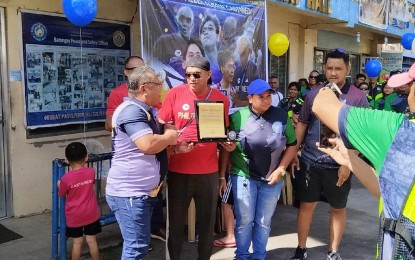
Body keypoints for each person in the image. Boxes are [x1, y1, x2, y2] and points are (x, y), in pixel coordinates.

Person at [312, 70, 415, 259]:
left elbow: (321, 105)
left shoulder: (399, 131)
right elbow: (392, 194)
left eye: (410, 86)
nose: (408, 94)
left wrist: (328, 86)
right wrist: (351, 160)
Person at [290, 48, 369, 260]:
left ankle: (333, 251)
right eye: (330, 68)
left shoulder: (358, 98)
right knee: (306, 205)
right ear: (324, 68)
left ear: (348, 69)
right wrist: (294, 151)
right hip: (311, 162)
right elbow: (303, 124)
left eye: (338, 68)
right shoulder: (313, 93)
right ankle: (301, 249)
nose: (334, 73)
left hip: (339, 166)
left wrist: (348, 164)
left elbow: (362, 136)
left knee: (337, 208)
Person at [158, 56, 233, 260]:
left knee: (207, 224)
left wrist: (228, 144)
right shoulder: (174, 94)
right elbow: (162, 123)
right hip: (178, 171)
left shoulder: (221, 99)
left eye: (196, 75)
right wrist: (173, 139)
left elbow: (223, 132)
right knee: (175, 223)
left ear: (208, 75)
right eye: (188, 74)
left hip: (207, 172)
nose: (191, 78)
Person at [105, 66, 178, 259]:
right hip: (130, 193)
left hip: (141, 193)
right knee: (136, 248)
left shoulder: (147, 111)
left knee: (139, 246)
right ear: (145, 88)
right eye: (158, 84)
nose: (161, 88)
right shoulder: (131, 112)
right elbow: (147, 145)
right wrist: (171, 136)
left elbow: (151, 147)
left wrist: (172, 146)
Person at [223, 79, 297, 259]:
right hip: (243, 176)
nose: (266, 100)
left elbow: (292, 145)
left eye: (268, 96)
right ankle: (241, 255)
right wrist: (221, 176)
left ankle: (259, 256)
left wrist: (281, 168)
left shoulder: (281, 115)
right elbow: (226, 147)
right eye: (261, 97)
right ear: (250, 98)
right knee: (244, 221)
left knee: (264, 222)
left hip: (272, 178)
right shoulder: (237, 117)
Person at [58, 142, 101, 260]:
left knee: (77, 243)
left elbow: (62, 193)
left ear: (66, 159)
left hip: (74, 215)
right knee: (92, 241)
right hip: (91, 213)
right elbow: (90, 183)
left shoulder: (65, 179)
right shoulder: (91, 172)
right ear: (86, 157)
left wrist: (59, 185)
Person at [105, 56, 145, 131]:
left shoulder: (150, 90)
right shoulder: (117, 93)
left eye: (143, 69)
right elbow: (109, 125)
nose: (141, 73)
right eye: (136, 69)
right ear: (126, 72)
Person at [199, 14, 222, 83]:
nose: (206, 32)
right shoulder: (195, 65)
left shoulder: (225, 64)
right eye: (203, 31)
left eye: (210, 28)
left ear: (218, 36)